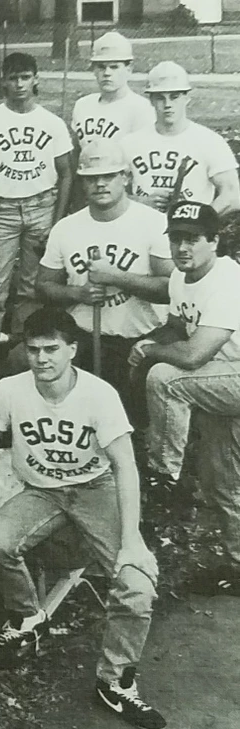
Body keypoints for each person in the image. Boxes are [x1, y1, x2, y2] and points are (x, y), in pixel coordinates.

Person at [0, 306, 165, 729]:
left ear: (72, 350)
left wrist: (133, 539)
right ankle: (28, 618)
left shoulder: (99, 395)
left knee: (136, 585)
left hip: (94, 488)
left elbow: (126, 466)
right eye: (33, 350)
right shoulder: (11, 389)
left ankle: (115, 682)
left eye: (52, 349)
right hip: (41, 489)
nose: (42, 359)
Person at [130, 202, 240, 575]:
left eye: (192, 239)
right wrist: (147, 342)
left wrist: (152, 354)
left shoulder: (227, 280)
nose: (182, 248)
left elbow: (192, 356)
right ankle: (237, 566)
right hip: (217, 379)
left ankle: (163, 476)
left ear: (214, 240)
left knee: (165, 377)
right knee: (222, 480)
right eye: (176, 239)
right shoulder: (180, 277)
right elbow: (177, 329)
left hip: (230, 374)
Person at [38, 138, 172, 417]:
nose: (100, 184)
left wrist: (117, 277)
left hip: (139, 339)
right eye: (91, 178)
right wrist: (78, 294)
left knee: (130, 416)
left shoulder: (153, 223)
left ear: (125, 177)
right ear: (81, 183)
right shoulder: (66, 228)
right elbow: (43, 286)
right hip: (84, 338)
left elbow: (170, 289)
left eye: (109, 175)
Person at [0, 52, 74, 362]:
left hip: (41, 206)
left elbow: (66, 173)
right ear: (2, 80)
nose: (19, 84)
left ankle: (22, 353)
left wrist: (57, 223)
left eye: (25, 77)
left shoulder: (51, 123)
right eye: (12, 77)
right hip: (0, 210)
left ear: (36, 79)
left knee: (33, 288)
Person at [121, 62, 240, 216]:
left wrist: (199, 219)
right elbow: (109, 192)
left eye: (174, 97)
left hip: (189, 234)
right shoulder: (130, 143)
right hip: (143, 228)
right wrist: (139, 202)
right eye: (160, 98)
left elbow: (232, 194)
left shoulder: (209, 141)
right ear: (150, 100)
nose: (167, 104)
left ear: (187, 98)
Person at [71, 32, 154, 147]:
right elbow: (76, 153)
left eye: (114, 67)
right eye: (101, 67)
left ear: (129, 69)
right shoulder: (82, 105)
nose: (107, 73)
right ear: (93, 69)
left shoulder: (141, 109)